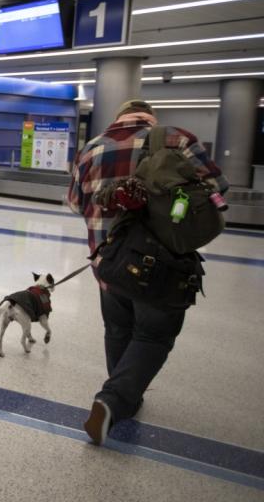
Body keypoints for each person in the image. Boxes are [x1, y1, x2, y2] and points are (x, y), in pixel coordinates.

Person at [66, 99, 228, 445]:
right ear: (150, 118)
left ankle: (125, 395)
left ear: (118, 118)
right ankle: (113, 399)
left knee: (117, 327)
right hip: (162, 265)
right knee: (153, 335)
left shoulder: (90, 149)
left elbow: (77, 203)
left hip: (108, 263)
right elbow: (217, 189)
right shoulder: (176, 139)